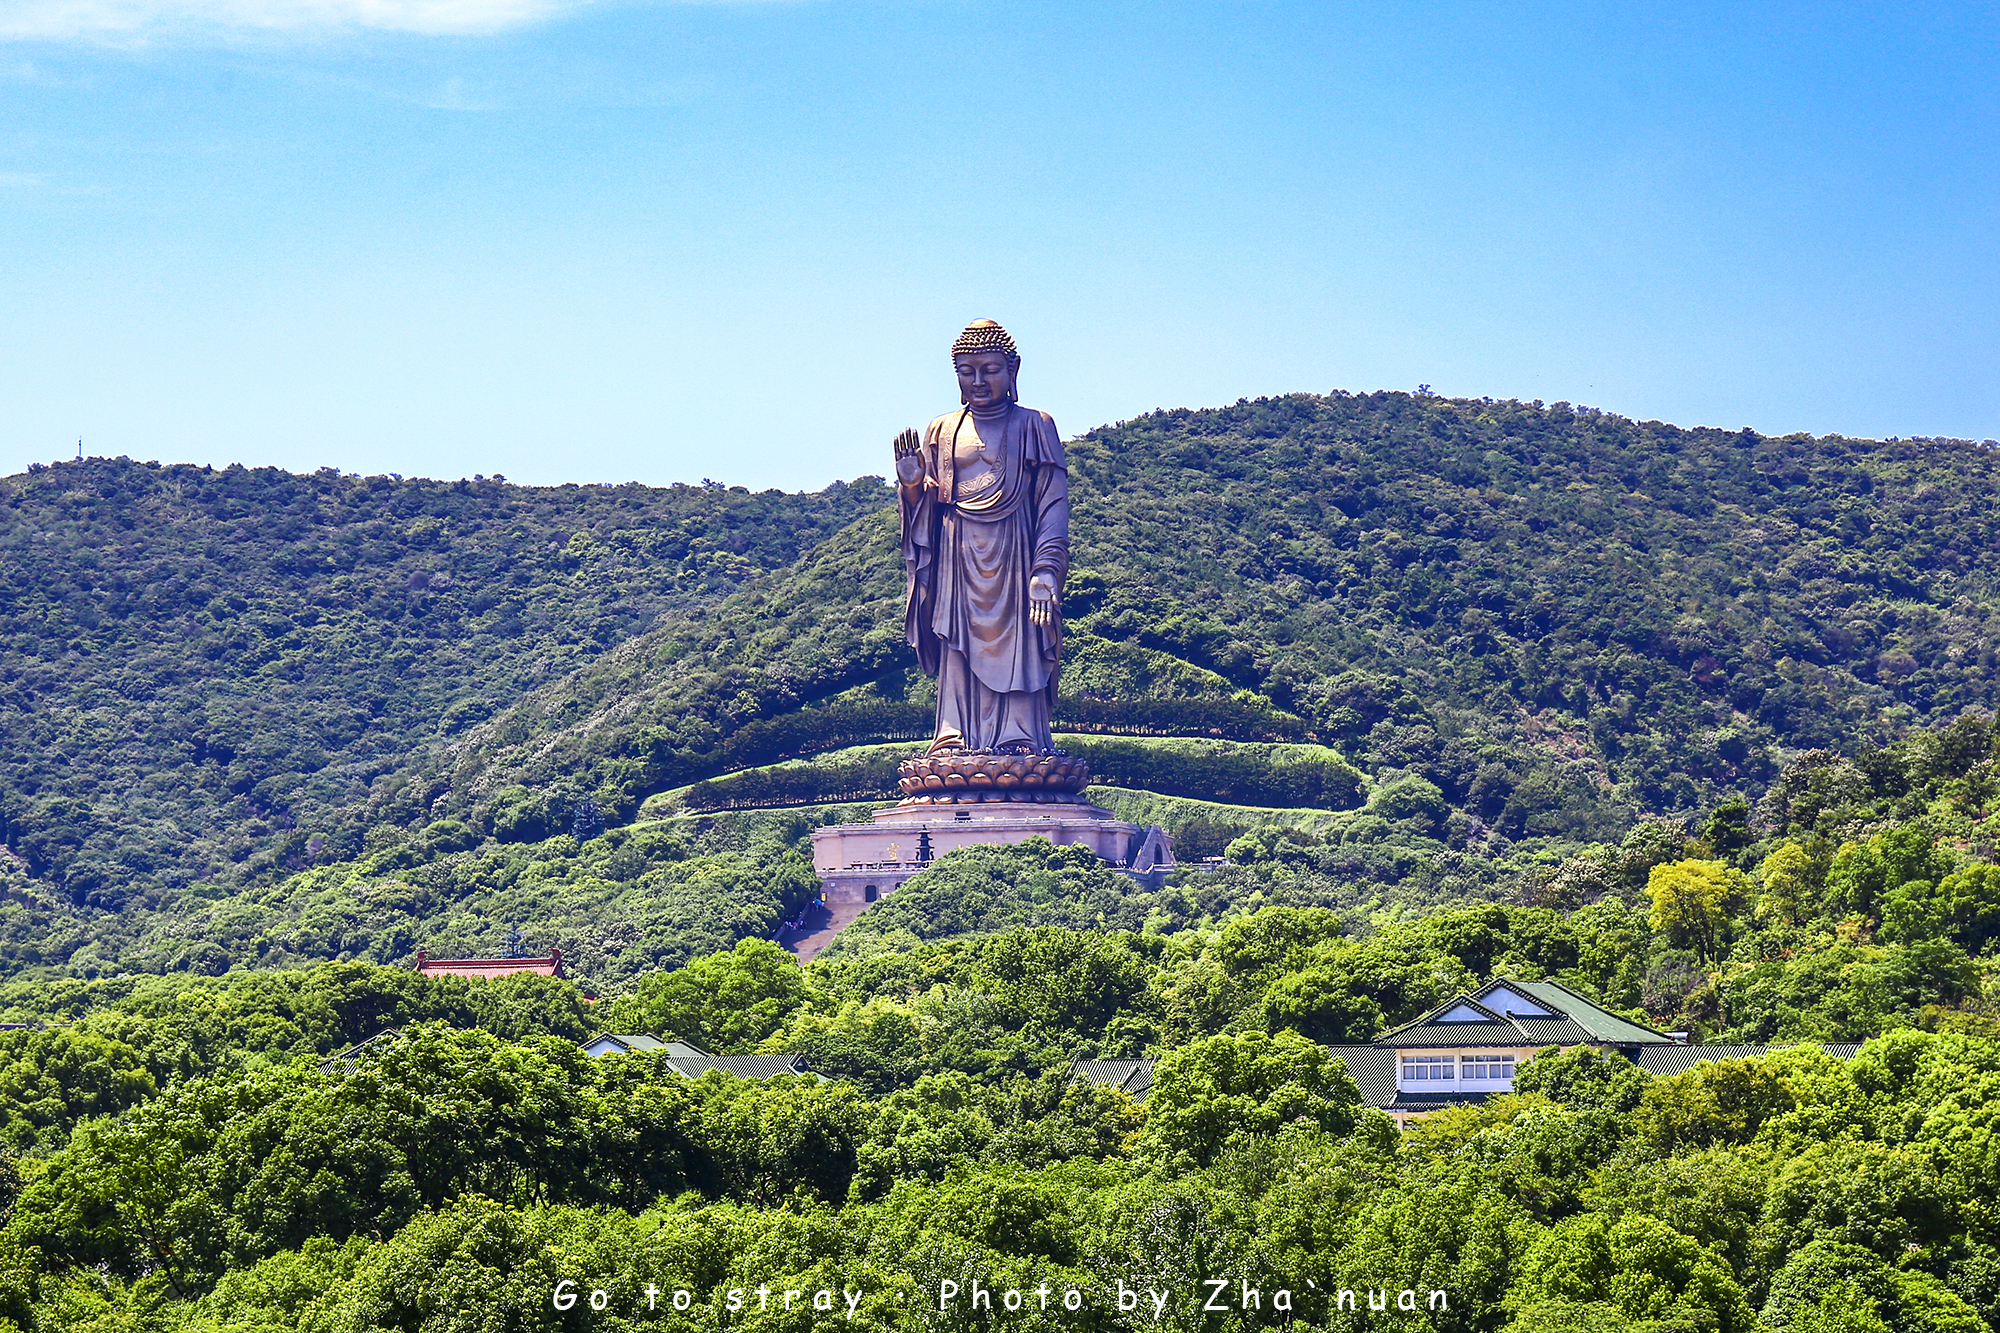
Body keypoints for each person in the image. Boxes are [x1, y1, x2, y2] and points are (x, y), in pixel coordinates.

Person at [894, 320, 1070, 755]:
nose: (978, 381)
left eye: (990, 369)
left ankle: (1020, 737)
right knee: (957, 642)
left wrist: (1045, 569)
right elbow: (931, 508)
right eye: (967, 371)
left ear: (1013, 369)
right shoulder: (941, 430)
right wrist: (914, 486)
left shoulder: (1034, 425)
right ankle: (954, 737)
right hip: (957, 555)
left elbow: (1052, 503)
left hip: (1015, 554)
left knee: (1022, 641)